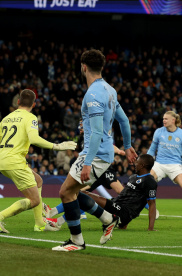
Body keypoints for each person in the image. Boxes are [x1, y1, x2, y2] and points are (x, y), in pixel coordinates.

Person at [52, 49, 137, 252]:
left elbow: (98, 131)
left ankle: (77, 241)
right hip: (103, 152)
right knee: (73, 192)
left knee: (65, 192)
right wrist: (127, 146)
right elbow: (123, 120)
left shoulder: (93, 93)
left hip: (96, 153)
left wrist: (88, 161)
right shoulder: (110, 89)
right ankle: (107, 218)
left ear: (83, 67)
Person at [0, 89, 77, 233]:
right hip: (15, 161)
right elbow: (34, 139)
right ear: (34, 104)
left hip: (3, 160)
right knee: (35, 200)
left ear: (18, 102)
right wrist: (57, 146)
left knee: (38, 181)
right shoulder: (30, 117)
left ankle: (39, 223)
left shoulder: (6, 118)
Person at [46, 154, 158, 232]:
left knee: (84, 196)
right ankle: (57, 219)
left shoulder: (149, 181)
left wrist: (150, 228)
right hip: (117, 206)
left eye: (137, 162)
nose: (135, 163)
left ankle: (57, 220)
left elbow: (151, 204)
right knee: (84, 199)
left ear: (143, 165)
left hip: (122, 211)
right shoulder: (133, 177)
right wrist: (124, 224)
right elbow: (128, 198)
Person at [147, 111, 182, 189]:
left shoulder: (181, 134)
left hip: (175, 165)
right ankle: (143, 201)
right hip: (159, 164)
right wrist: (145, 161)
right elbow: (152, 149)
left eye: (166, 119)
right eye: (163, 119)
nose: (164, 121)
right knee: (146, 182)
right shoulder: (158, 131)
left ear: (173, 120)